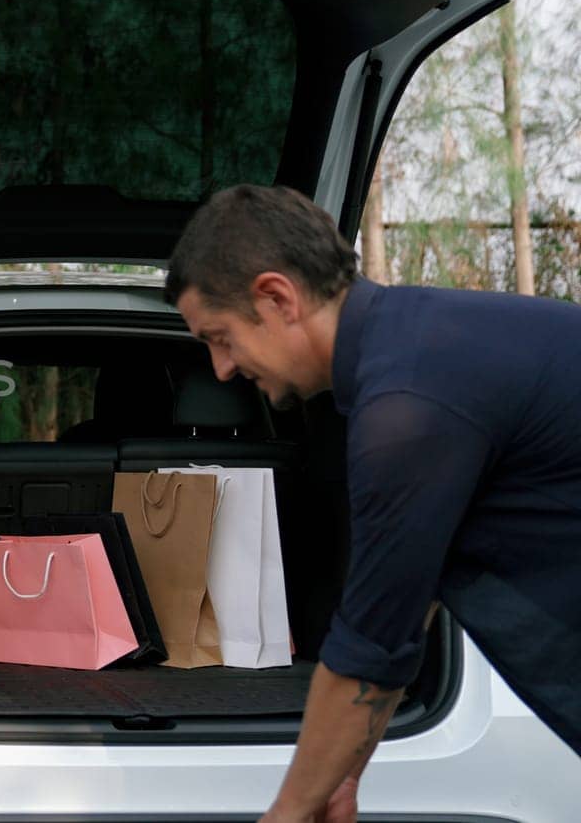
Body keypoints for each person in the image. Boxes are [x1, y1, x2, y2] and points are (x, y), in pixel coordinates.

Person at [164, 184, 581, 823]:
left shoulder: (407, 405)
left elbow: (371, 647)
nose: (220, 369)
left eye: (219, 337)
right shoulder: (415, 344)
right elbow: (408, 600)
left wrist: (287, 814)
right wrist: (342, 772)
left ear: (277, 297)